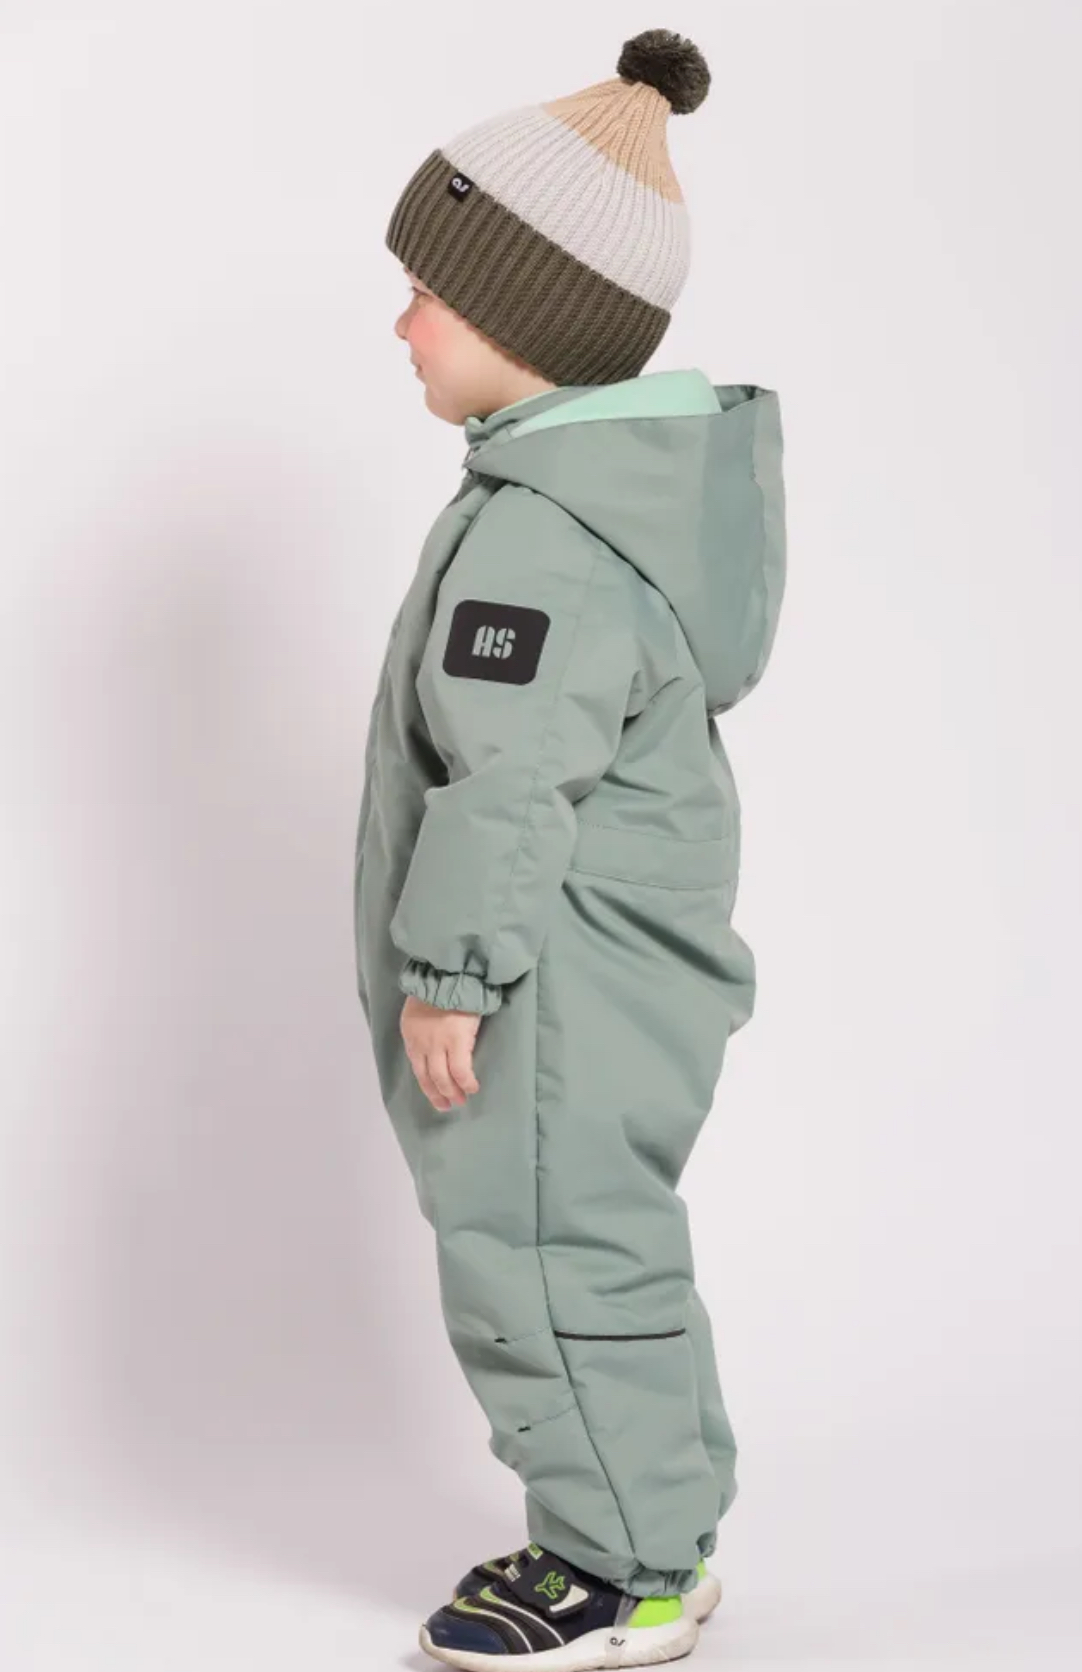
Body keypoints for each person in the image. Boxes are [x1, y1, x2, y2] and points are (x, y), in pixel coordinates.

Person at [353, 27, 787, 1670]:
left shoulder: (542, 540)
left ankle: (617, 1572)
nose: (401, 323)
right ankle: (658, 1527)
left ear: (521, 319)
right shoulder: (591, 509)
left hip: (547, 989)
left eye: (425, 292)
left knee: (539, 1255)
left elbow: (509, 777)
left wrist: (451, 972)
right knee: (597, 1239)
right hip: (603, 973)